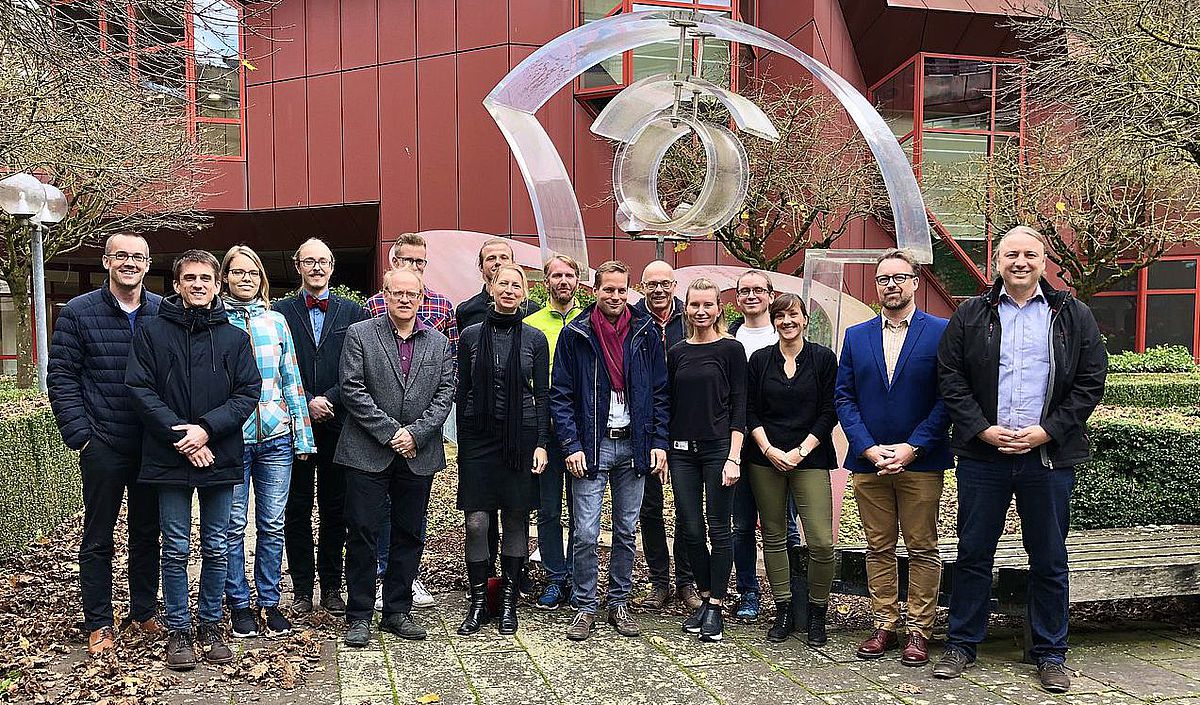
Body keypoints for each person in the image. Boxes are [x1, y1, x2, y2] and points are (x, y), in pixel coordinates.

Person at [933, 227, 1107, 693]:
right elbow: (950, 377)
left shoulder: (1072, 314)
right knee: (973, 553)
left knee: (1048, 556)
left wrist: (1047, 431)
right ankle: (961, 644)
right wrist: (982, 429)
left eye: (1030, 254)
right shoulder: (971, 313)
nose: (1021, 262)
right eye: (1011, 254)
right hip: (983, 456)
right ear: (997, 261)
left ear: (1044, 262)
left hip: (1047, 457)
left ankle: (1050, 653)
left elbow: (1091, 381)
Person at [125, 249, 261, 671]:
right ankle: (179, 629)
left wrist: (206, 429)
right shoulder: (151, 333)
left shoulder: (235, 338)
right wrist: (182, 437)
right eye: (190, 278)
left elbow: (248, 392)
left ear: (217, 285)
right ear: (177, 284)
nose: (198, 285)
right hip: (169, 455)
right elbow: (140, 389)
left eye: (206, 278)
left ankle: (210, 624)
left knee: (218, 545)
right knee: (176, 546)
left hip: (218, 452)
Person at [835, 248, 952, 668]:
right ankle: (884, 623)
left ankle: (919, 629)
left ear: (915, 282)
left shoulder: (940, 332)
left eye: (899, 277)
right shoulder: (857, 336)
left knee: (922, 547)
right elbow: (844, 397)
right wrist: (867, 447)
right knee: (878, 546)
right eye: (883, 278)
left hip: (921, 460)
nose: (891, 285)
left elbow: (947, 398)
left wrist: (912, 446)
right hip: (870, 462)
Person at [48, 234, 163, 657]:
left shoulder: (162, 311)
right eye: (122, 256)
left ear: (147, 264)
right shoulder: (78, 312)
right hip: (103, 443)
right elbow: (62, 377)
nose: (130, 263)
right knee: (98, 538)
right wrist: (81, 436)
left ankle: (144, 612)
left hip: (151, 445)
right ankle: (98, 622)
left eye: (138, 257)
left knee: (147, 533)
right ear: (106, 261)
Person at [550, 260, 670, 641]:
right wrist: (571, 445)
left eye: (621, 290)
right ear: (595, 290)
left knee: (625, 530)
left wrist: (658, 443)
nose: (615, 296)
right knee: (585, 532)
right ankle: (585, 606)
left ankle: (619, 601)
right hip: (592, 445)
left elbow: (660, 393)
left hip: (634, 444)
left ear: (629, 290)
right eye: (608, 289)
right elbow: (561, 396)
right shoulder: (576, 333)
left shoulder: (645, 331)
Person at [337, 268, 456, 648]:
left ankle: (397, 611)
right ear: (384, 295)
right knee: (362, 533)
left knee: (409, 533)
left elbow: (445, 394)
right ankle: (359, 615)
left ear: (422, 298)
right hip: (367, 451)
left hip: (418, 453)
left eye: (412, 294)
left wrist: (415, 434)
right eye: (397, 293)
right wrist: (391, 433)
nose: (405, 299)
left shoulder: (439, 342)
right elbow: (352, 389)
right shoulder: (360, 334)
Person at [220, 245, 315, 639]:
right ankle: (238, 603)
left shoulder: (276, 321)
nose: (246, 278)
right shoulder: (215, 318)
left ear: (261, 278)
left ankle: (269, 601)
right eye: (238, 272)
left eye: (253, 272)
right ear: (225, 277)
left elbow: (291, 379)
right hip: (231, 439)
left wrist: (303, 436)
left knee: (273, 524)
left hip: (276, 437)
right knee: (232, 525)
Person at [455, 263, 550, 636]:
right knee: (476, 522)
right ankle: (480, 602)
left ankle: (508, 602)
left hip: (520, 436)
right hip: (479, 437)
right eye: (503, 283)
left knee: (514, 518)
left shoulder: (534, 339)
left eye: (516, 285)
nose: (509, 290)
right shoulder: (470, 336)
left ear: (524, 293)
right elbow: (463, 390)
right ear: (491, 287)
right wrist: (463, 443)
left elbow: (541, 395)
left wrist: (541, 443)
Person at [277, 238, 369, 617]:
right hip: (295, 423)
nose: (317, 268)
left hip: (340, 422)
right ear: (297, 265)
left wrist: (328, 398)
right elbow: (278, 366)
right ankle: (302, 588)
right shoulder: (280, 312)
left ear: (332, 267)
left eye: (323, 261)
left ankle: (332, 587)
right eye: (309, 261)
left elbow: (358, 367)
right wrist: (307, 400)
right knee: (296, 508)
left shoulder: (354, 312)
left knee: (336, 509)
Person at [365, 233, 456, 611]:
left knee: (412, 514)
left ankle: (406, 579)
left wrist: (419, 431)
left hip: (421, 433)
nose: (413, 267)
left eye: (420, 262)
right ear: (393, 261)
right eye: (406, 260)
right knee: (379, 511)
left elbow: (451, 372)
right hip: (379, 434)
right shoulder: (374, 305)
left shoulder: (443, 306)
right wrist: (389, 430)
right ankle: (381, 574)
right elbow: (364, 371)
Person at [745, 293, 838, 646]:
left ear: (805, 319)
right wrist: (768, 449)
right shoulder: (759, 360)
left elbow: (830, 410)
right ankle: (783, 608)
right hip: (765, 459)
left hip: (810, 457)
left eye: (793, 315)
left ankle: (817, 611)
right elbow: (749, 410)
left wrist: (801, 451)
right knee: (774, 536)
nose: (787, 321)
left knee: (821, 541)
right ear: (773, 321)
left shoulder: (823, 359)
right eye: (780, 316)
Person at [668, 278, 748, 643]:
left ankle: (716, 604)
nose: (701, 311)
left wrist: (734, 456)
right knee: (690, 527)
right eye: (694, 305)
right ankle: (703, 597)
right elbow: (668, 403)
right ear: (685, 309)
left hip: (719, 450)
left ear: (719, 309)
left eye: (707, 305)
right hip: (681, 453)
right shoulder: (677, 352)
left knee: (719, 527)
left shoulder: (732, 349)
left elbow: (739, 406)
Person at [630, 260, 700, 611]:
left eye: (665, 283)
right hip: (644, 426)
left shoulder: (690, 317)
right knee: (650, 507)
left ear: (674, 285)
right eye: (651, 284)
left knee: (687, 508)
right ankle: (659, 580)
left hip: (687, 423)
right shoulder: (632, 319)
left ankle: (686, 580)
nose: (658, 290)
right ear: (642, 286)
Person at [523, 254, 583, 611]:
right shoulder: (531, 324)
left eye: (569, 275)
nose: (563, 281)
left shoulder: (589, 320)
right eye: (556, 275)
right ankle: (554, 577)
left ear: (578, 280)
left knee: (581, 510)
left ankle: (577, 577)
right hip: (544, 430)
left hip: (581, 431)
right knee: (547, 509)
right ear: (546, 282)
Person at [726, 270, 776, 621]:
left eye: (759, 290)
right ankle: (748, 592)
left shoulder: (786, 333)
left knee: (783, 526)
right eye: (745, 291)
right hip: (738, 445)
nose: (752, 296)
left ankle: (788, 595)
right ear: (737, 298)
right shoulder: (727, 338)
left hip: (779, 444)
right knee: (741, 525)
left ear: (771, 296)